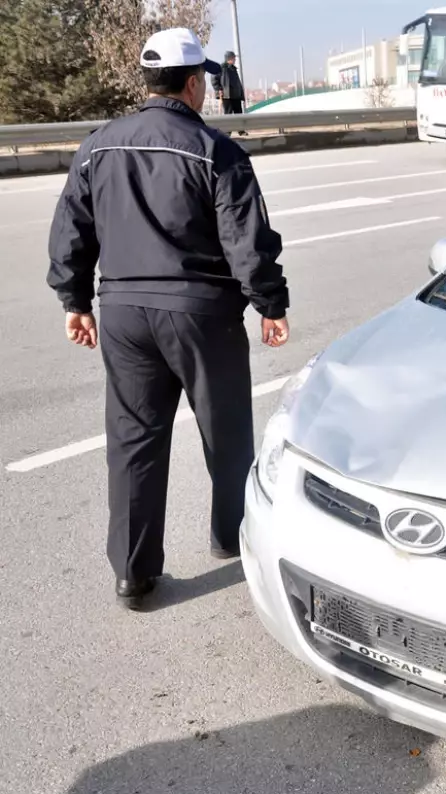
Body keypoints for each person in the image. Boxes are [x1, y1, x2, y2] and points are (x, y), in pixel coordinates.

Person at [46, 28, 291, 610]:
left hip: (125, 312)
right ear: (191, 83)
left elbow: (71, 231)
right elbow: (246, 243)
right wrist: (270, 303)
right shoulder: (216, 150)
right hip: (202, 313)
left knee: (133, 441)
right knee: (227, 433)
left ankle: (133, 575)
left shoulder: (98, 145)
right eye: (203, 79)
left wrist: (75, 302)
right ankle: (231, 536)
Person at [217, 51, 245, 115]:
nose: (235, 59)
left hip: (236, 96)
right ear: (230, 58)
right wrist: (219, 89)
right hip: (227, 96)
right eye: (234, 58)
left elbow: (237, 82)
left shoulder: (233, 69)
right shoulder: (222, 68)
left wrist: (241, 94)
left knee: (239, 114)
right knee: (228, 114)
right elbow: (214, 79)